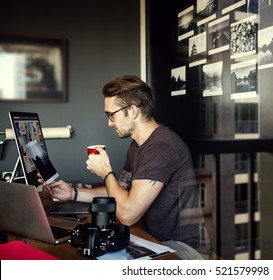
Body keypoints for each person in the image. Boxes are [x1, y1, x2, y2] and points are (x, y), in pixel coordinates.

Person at [39, 75, 209, 259]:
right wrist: (72, 193)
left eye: (111, 115)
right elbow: (119, 192)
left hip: (183, 249)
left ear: (133, 111)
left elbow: (128, 214)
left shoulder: (163, 148)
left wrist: (106, 172)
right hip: (153, 238)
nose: (109, 122)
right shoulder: (138, 145)